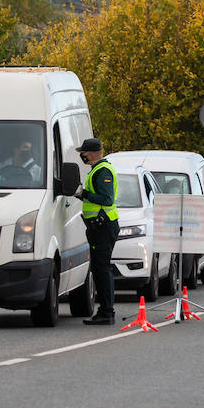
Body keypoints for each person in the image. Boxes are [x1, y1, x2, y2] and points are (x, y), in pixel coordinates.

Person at [73, 138, 117, 325]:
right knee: (100, 269)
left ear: (92, 153)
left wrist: (83, 194)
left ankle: (107, 312)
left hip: (103, 226)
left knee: (102, 270)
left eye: (84, 152)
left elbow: (106, 199)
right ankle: (106, 311)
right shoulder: (98, 170)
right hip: (99, 227)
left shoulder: (103, 171)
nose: (82, 155)